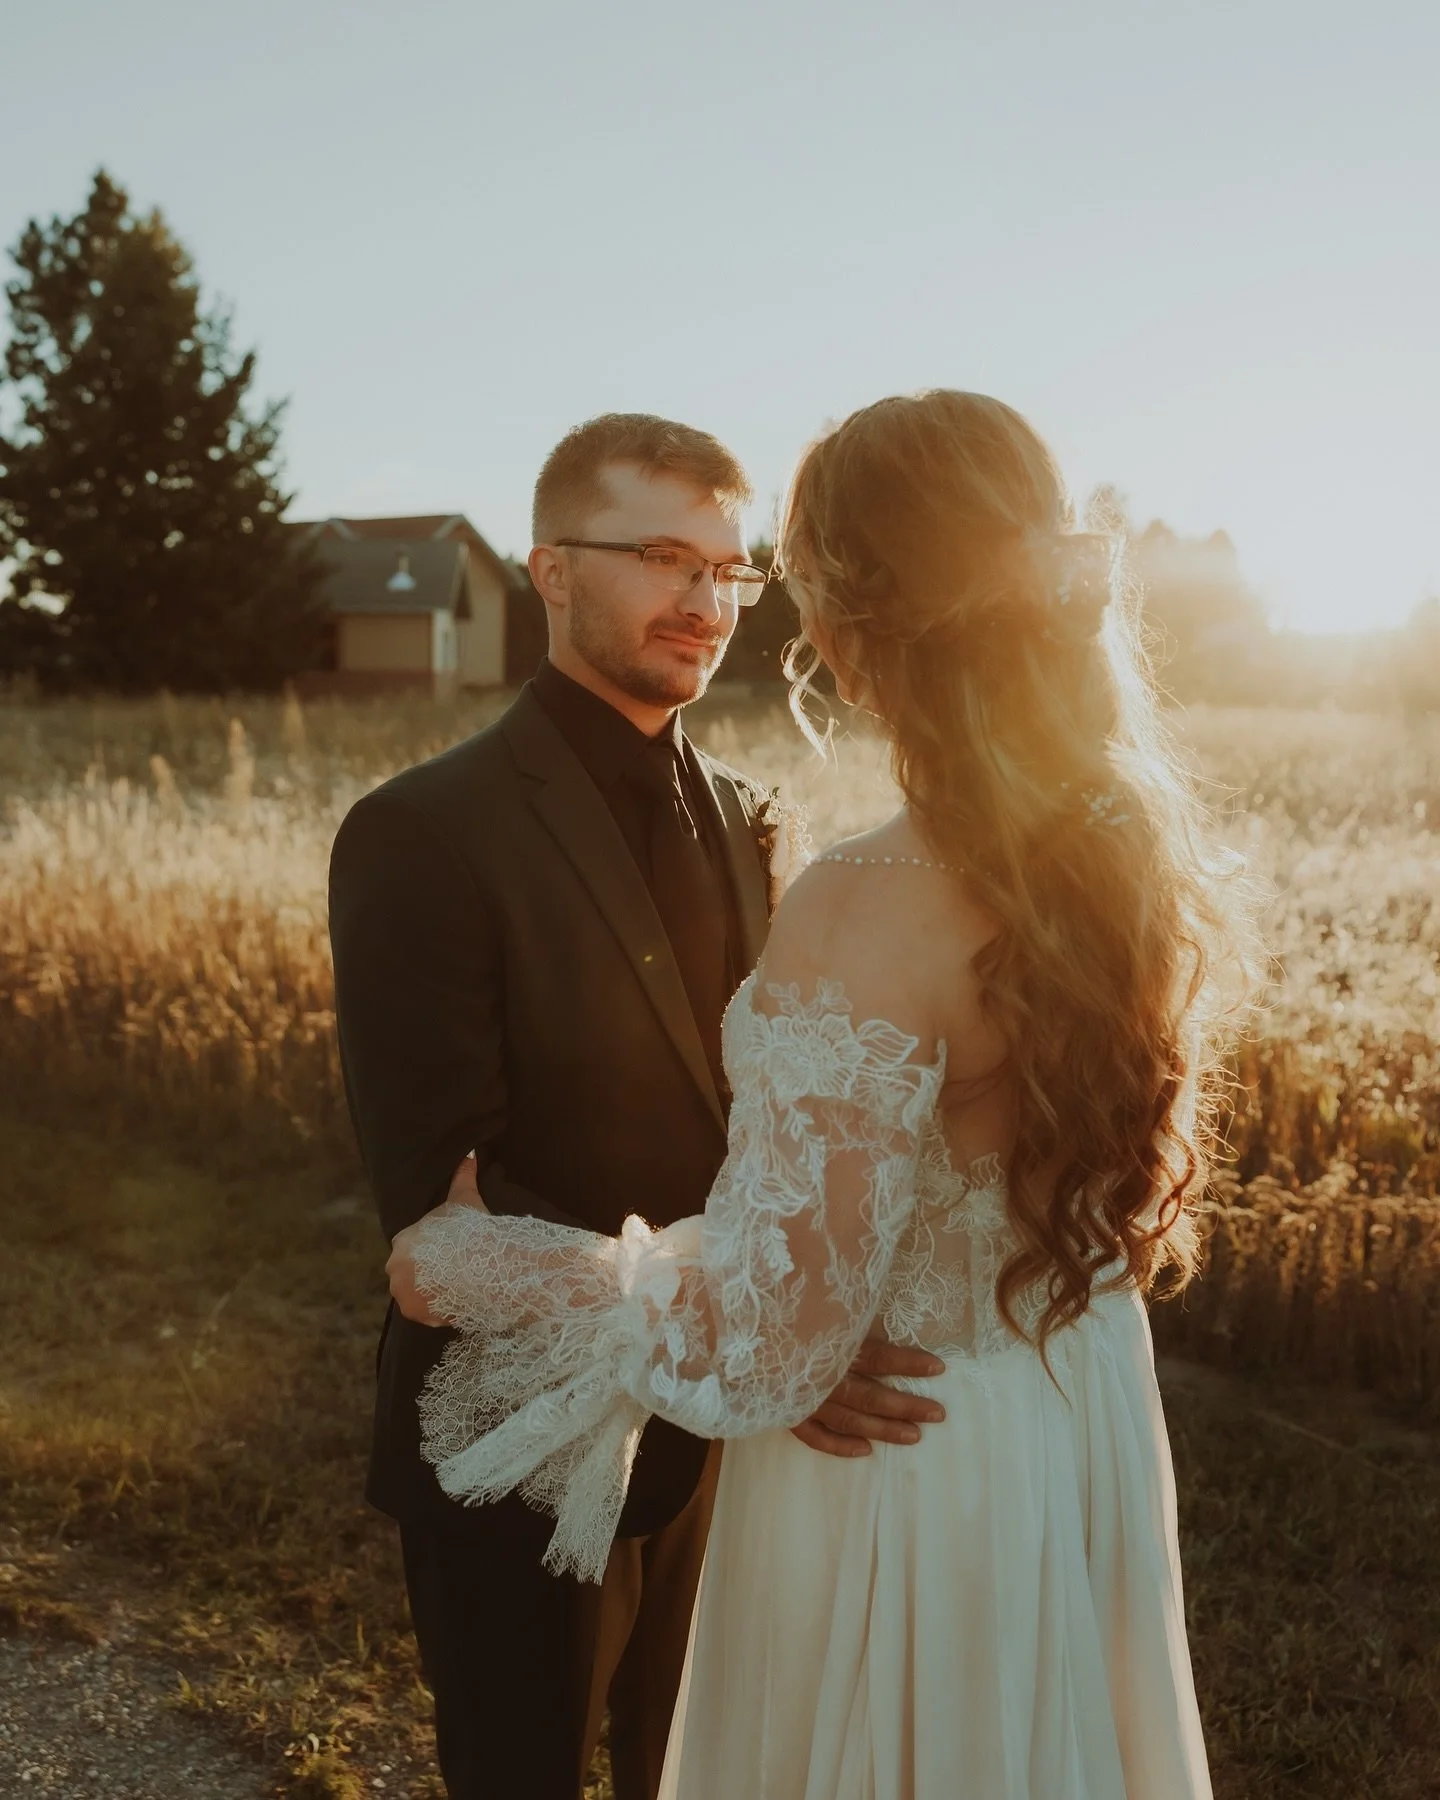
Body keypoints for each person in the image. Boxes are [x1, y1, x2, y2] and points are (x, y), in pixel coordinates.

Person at [387, 391, 1262, 1800]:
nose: (711, 597)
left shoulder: (868, 894)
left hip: (905, 1475)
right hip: (1061, 1414)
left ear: (847, 637)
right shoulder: (1123, 851)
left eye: (737, 568)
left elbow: (784, 1335)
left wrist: (475, 1264)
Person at [328, 413, 944, 1800]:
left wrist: (764, 1348)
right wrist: (744, 1334)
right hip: (527, 1433)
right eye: (664, 556)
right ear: (549, 571)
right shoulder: (420, 833)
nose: (704, 600)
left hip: (729, 1444)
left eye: (730, 569)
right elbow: (444, 1218)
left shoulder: (750, 815)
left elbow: (770, 1125)